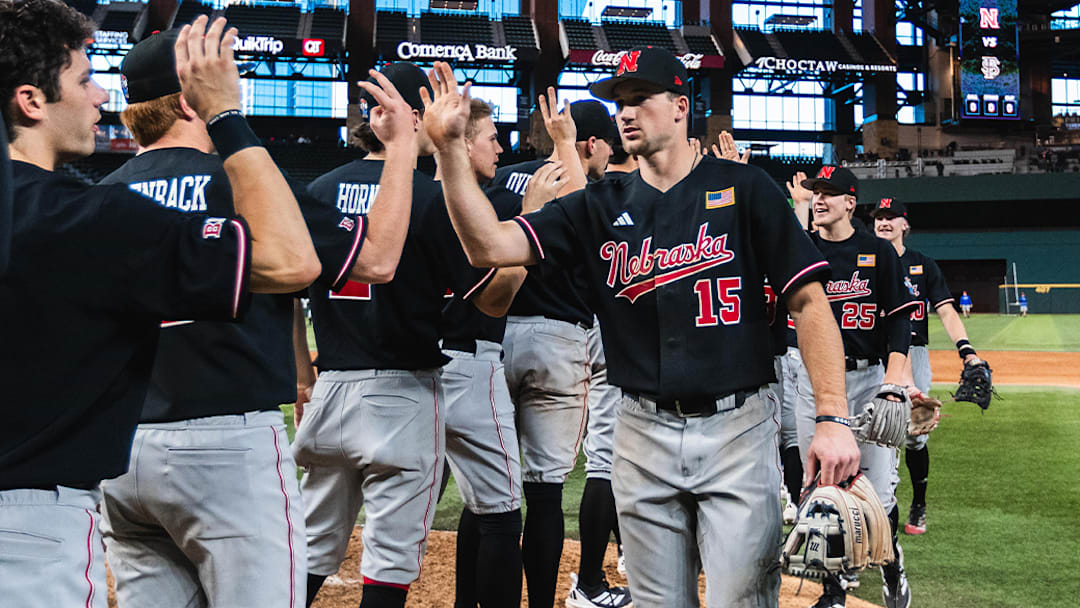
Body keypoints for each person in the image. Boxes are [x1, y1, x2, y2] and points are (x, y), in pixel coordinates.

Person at [423, 48, 860, 608]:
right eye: (618, 103)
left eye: (638, 100)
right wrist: (450, 151)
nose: (624, 113)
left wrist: (831, 416)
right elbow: (488, 245)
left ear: (681, 107)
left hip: (739, 427)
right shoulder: (596, 205)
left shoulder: (746, 190)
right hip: (640, 432)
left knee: (742, 599)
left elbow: (809, 302)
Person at [0, 6, 320, 607]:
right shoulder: (81, 217)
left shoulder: (94, 201)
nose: (99, 96)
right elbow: (289, 262)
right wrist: (225, 115)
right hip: (29, 528)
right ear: (31, 101)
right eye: (82, 78)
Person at [93, 30, 419, 608]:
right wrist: (400, 151)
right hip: (225, 447)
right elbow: (377, 260)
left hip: (122, 449)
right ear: (195, 99)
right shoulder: (245, 186)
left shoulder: (99, 198)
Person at [292, 65, 520, 608]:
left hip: (330, 387)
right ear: (413, 117)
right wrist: (527, 238)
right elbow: (489, 296)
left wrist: (302, 378)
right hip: (402, 391)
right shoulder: (429, 196)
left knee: (310, 549)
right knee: (390, 560)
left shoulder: (318, 190)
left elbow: (282, 299)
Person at [484, 98, 608, 608]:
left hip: (495, 333)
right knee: (544, 491)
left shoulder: (503, 178)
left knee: (486, 493)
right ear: (590, 143)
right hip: (560, 341)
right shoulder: (596, 194)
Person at [788, 167, 917, 608]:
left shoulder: (878, 252)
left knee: (877, 496)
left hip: (866, 381)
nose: (819, 199)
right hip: (814, 382)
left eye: (829, 193)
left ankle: (892, 562)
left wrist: (895, 379)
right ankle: (834, 590)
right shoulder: (802, 251)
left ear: (849, 202)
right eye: (815, 192)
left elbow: (901, 317)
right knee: (825, 488)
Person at [872, 196, 985, 536]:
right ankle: (879, 509)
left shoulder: (923, 265)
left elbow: (947, 311)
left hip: (913, 353)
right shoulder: (862, 260)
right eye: (879, 217)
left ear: (905, 224)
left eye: (891, 217)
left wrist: (966, 350)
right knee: (876, 435)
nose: (884, 222)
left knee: (914, 435)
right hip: (871, 352)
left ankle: (918, 502)